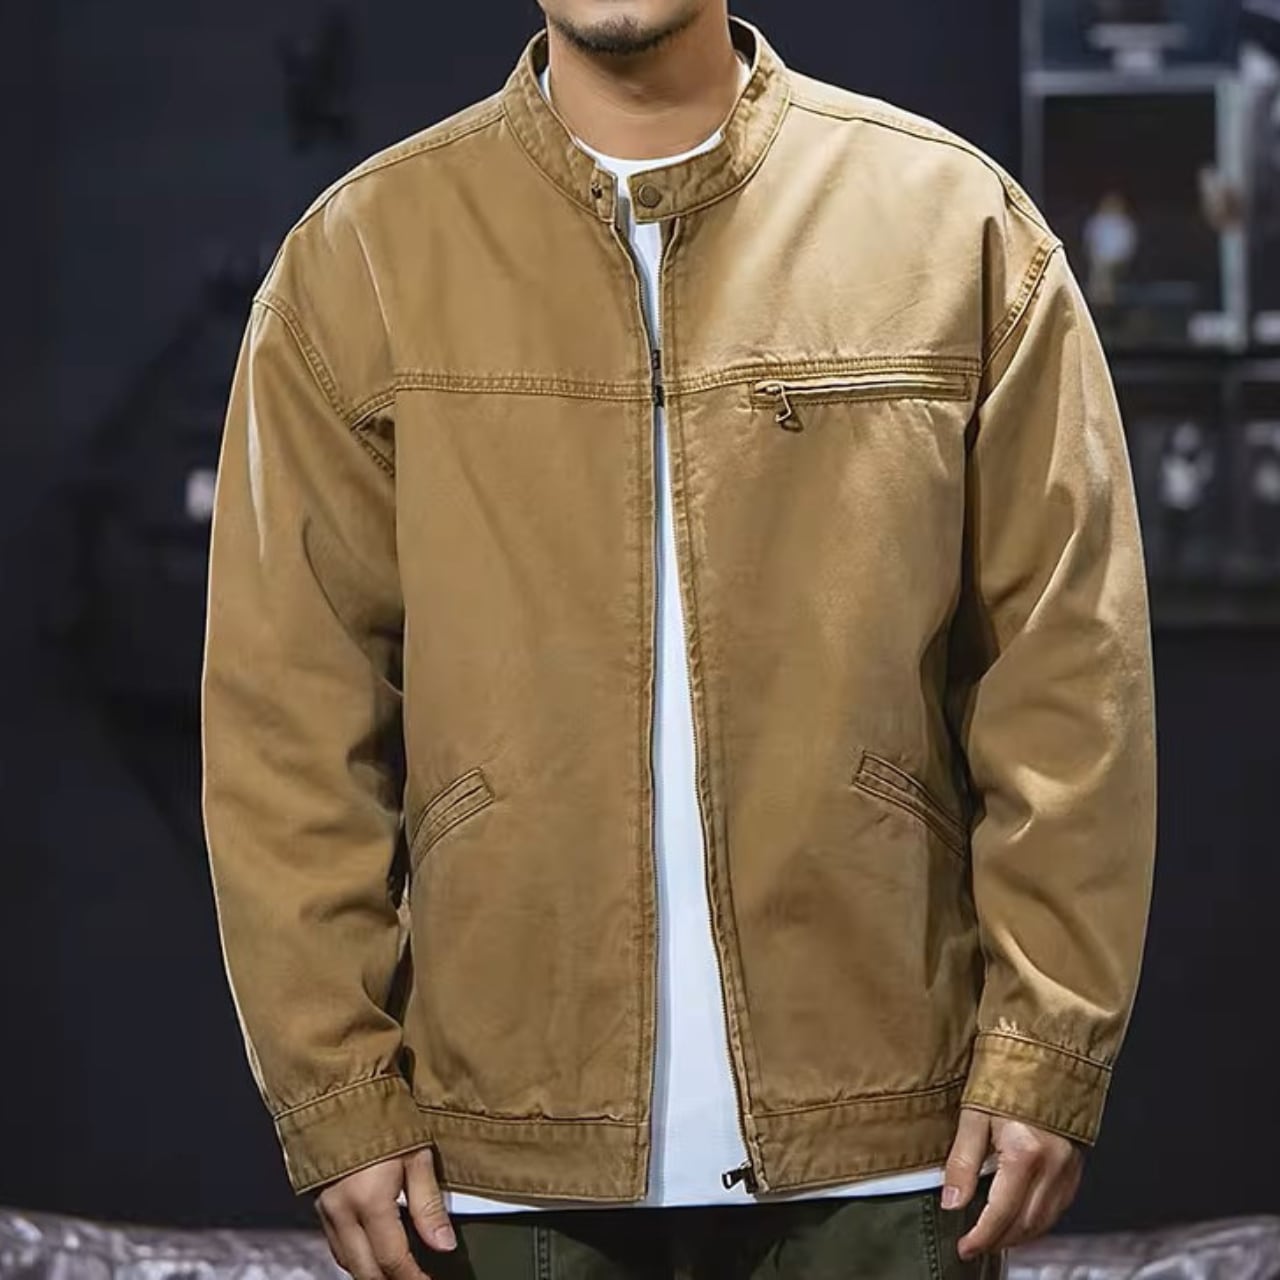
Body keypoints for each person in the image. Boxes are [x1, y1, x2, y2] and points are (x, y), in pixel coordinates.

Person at [200, 2, 1158, 1277]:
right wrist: (335, 1091)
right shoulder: (364, 254)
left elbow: (1070, 675)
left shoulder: (952, 225)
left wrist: (1046, 1049)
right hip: (496, 1160)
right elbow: (285, 719)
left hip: (887, 1149)